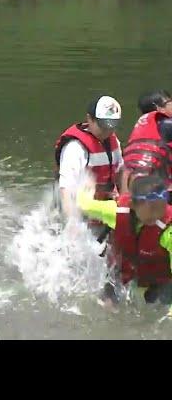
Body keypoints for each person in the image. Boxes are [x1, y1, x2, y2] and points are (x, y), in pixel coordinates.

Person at [77, 174, 172, 306]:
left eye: (160, 209)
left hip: (158, 279)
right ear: (133, 205)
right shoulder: (116, 212)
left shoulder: (168, 229)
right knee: (108, 307)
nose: (156, 215)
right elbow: (85, 205)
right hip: (122, 272)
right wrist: (86, 187)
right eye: (151, 211)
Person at [54, 95, 123, 224]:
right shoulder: (75, 147)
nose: (108, 130)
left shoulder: (114, 142)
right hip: (78, 211)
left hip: (103, 210)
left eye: (112, 125)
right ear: (89, 119)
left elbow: (121, 174)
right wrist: (72, 223)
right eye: (103, 125)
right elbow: (66, 188)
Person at [123, 90, 172, 196]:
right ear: (159, 108)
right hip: (152, 191)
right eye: (170, 102)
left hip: (131, 187)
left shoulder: (141, 126)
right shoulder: (165, 124)